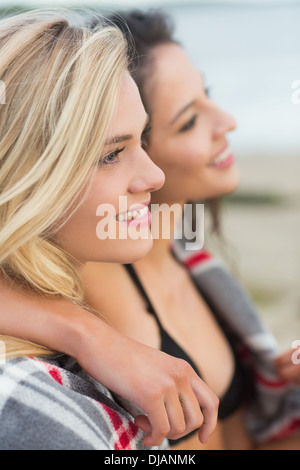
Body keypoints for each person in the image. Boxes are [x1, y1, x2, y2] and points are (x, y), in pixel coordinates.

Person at [1, 9, 300, 450]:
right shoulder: (42, 393)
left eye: (140, 139)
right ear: (33, 175)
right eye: (110, 154)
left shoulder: (195, 260)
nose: (153, 176)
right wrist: (88, 335)